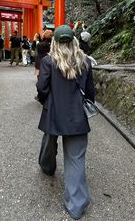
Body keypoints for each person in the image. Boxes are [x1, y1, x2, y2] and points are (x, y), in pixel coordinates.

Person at [37, 24, 95, 220]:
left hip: (54, 112)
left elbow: (42, 89)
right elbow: (90, 92)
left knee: (49, 140)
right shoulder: (85, 61)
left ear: (54, 42)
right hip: (77, 116)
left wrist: (48, 103)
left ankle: (47, 166)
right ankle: (76, 205)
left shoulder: (47, 61)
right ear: (74, 41)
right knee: (76, 158)